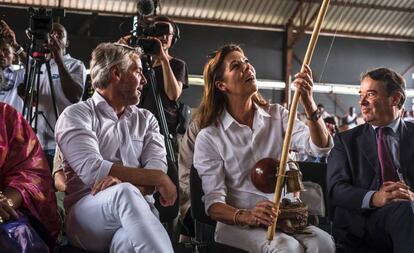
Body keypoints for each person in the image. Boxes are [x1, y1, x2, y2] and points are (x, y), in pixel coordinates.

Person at [193, 44, 335, 253]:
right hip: (238, 225)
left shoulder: (278, 115)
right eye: (236, 66)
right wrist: (248, 215)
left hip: (285, 218)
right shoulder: (210, 137)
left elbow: (320, 148)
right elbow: (213, 205)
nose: (247, 67)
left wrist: (309, 102)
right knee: (287, 249)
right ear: (221, 85)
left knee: (324, 243)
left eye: (247, 62)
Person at [55, 42, 176, 252]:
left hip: (138, 214)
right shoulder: (76, 115)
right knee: (124, 194)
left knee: (127, 242)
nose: (145, 80)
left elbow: (157, 171)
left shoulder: (147, 119)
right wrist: (157, 179)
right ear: (116, 73)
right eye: (138, 71)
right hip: (87, 218)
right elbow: (93, 171)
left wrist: (153, 178)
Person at [327, 67, 414, 253]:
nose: (362, 102)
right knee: (405, 211)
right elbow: (335, 190)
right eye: (361, 94)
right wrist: (376, 198)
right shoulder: (345, 140)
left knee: (407, 209)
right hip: (362, 223)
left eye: (371, 94)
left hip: (408, 211)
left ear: (396, 99)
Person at [6, 22, 86, 166]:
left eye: (59, 35)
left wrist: (58, 57)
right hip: (36, 142)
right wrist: (15, 45)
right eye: (51, 34)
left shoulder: (75, 65)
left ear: (66, 43)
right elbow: (28, 63)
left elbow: (75, 96)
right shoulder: (40, 64)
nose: (53, 38)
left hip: (61, 144)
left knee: (57, 186)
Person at [0, 102, 59, 250]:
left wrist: (5, 203)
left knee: (17, 233)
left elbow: (31, 174)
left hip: (6, 211)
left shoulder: (6, 116)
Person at [138, 15, 189, 155]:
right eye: (159, 31)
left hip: (164, 128)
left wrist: (163, 59)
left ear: (174, 38)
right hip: (138, 126)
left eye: (168, 33)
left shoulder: (177, 64)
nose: (164, 36)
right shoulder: (139, 63)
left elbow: (173, 94)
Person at [0, 40, 25, 112]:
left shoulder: (20, 74)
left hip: (13, 121)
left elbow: (32, 65)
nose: (1, 54)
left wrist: (17, 47)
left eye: (5, 50)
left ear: (14, 57)